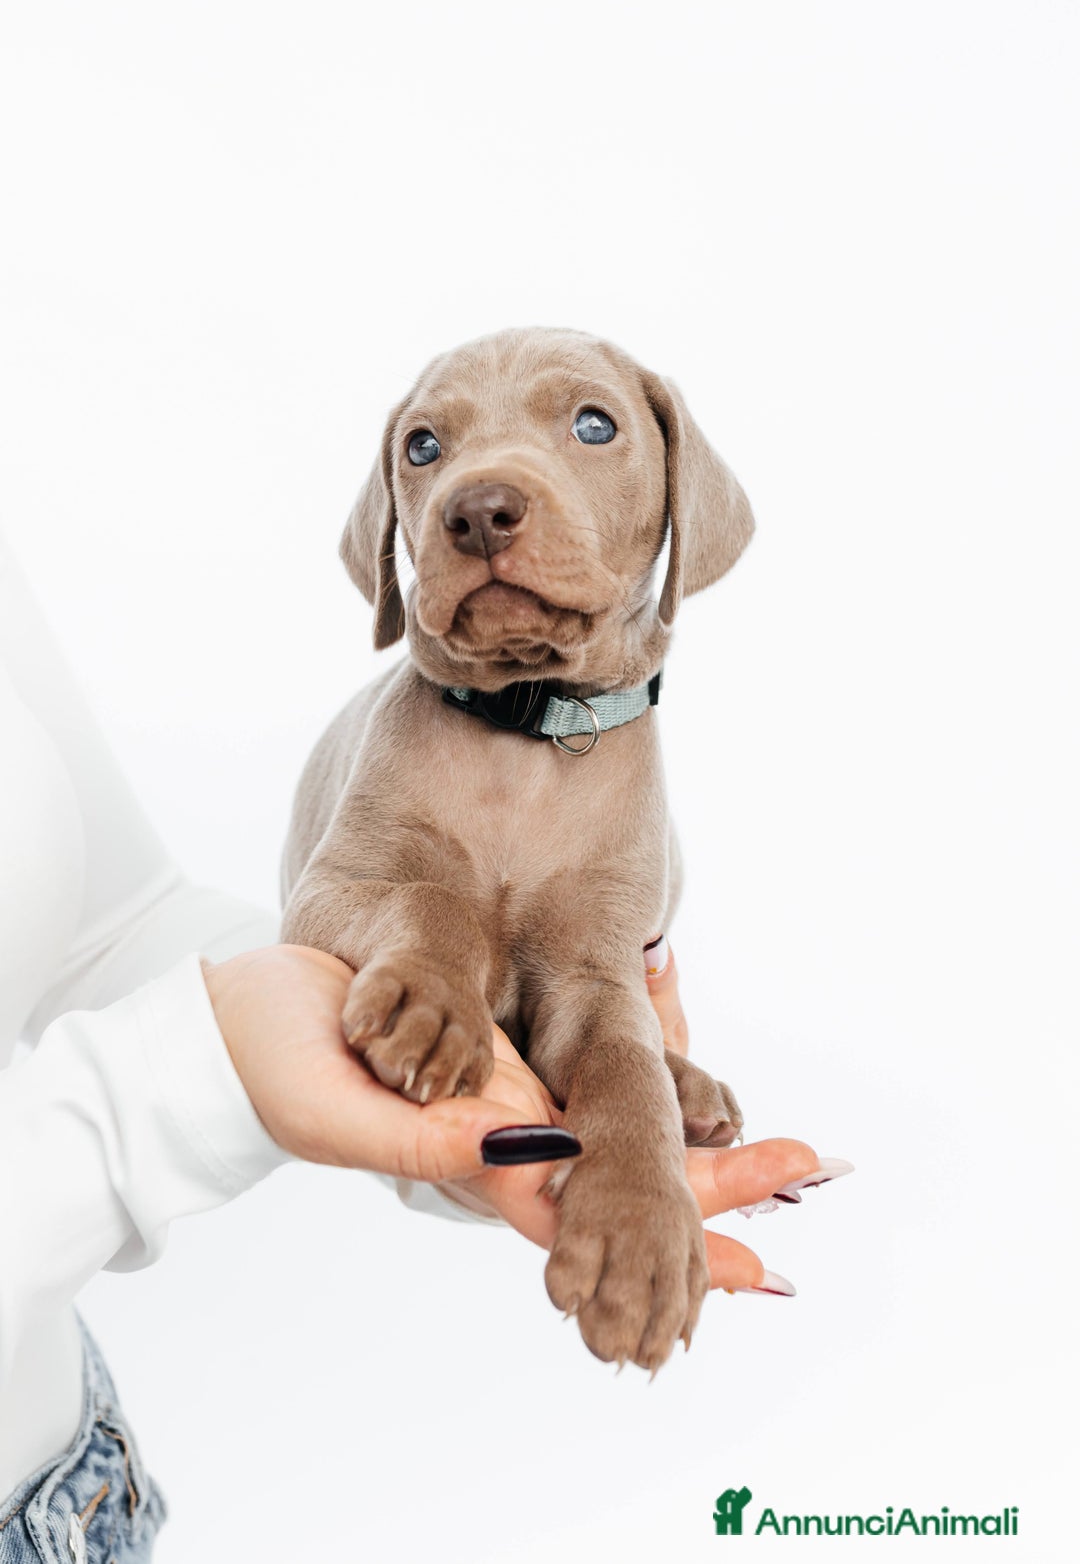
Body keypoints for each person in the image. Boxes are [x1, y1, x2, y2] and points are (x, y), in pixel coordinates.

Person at [0, 532, 842, 1562]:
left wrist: (453, 1067)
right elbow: (188, 1047)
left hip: (83, 1495)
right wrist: (193, 1077)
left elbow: (104, 934)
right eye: (428, 450)